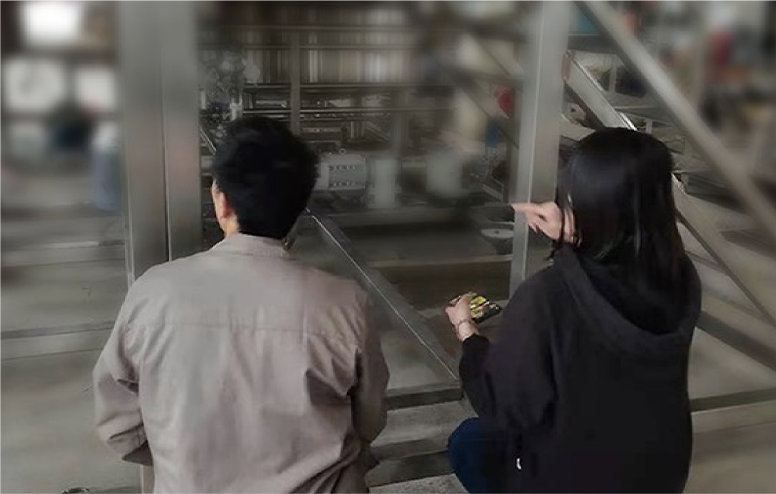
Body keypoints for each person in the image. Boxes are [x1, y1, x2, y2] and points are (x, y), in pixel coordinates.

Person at [93, 117, 389, 494]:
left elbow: (119, 427)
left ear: (221, 200)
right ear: (299, 208)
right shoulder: (345, 303)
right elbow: (369, 420)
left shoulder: (153, 292)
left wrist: (186, 463)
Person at [445, 128, 701, 494]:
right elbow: (619, 261)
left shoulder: (547, 297)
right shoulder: (681, 277)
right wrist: (577, 232)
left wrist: (467, 331)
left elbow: (503, 404)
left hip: (570, 479)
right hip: (661, 472)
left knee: (468, 442)